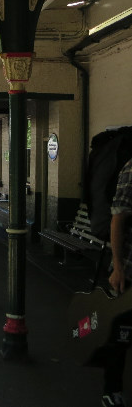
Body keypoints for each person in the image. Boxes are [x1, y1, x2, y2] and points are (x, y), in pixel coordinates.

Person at [104, 156, 132, 407]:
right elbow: (118, 217)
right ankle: (112, 392)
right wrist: (118, 267)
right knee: (121, 334)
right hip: (128, 271)